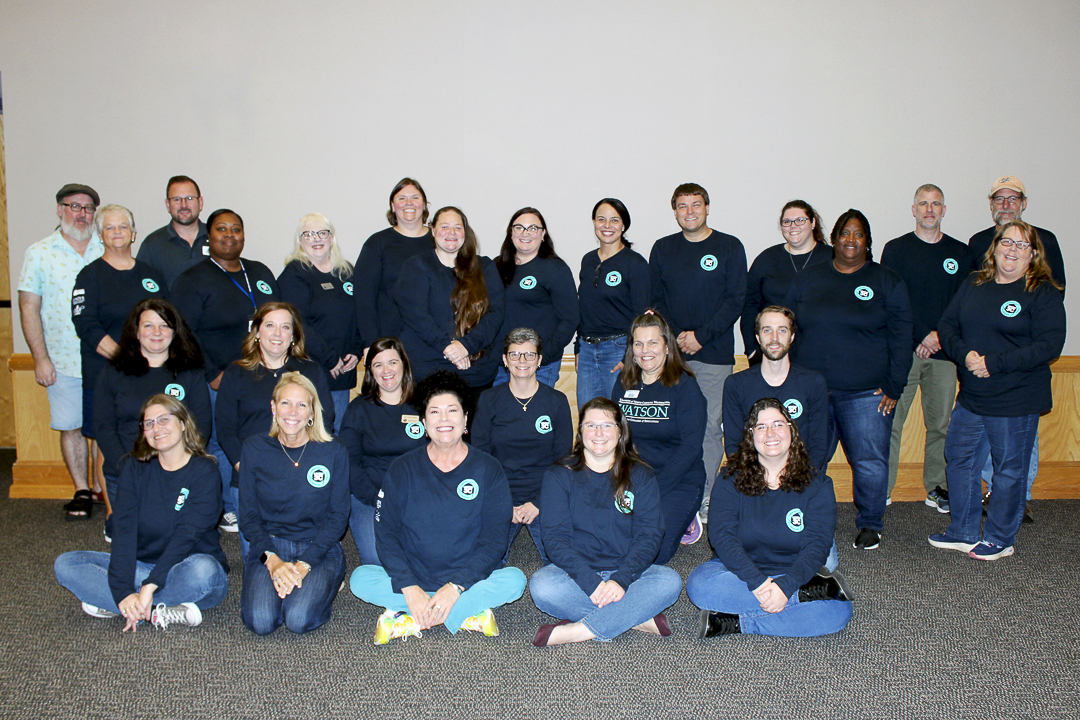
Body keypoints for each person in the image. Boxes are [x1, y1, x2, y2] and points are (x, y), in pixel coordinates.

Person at [350, 371, 526, 644]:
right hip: (415, 574)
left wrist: (456, 587)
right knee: (359, 579)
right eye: (434, 412)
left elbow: (494, 540)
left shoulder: (489, 469)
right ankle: (465, 614)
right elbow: (386, 534)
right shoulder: (402, 469)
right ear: (423, 422)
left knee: (516, 581)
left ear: (465, 419)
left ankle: (411, 617)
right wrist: (409, 587)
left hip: (467, 579)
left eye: (452, 410)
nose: (444, 419)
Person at [929, 221, 1065, 561]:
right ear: (995, 247)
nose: (1012, 249)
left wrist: (994, 363)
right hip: (973, 397)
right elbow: (947, 325)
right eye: (1007, 242)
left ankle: (1001, 539)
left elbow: (1049, 345)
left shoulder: (1043, 292)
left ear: (1033, 253)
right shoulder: (975, 283)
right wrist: (966, 356)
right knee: (959, 461)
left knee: (1008, 471)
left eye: (1022, 245)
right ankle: (962, 530)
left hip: (1016, 399)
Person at [786, 209, 913, 550]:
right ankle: (803, 519)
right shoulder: (808, 279)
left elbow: (902, 338)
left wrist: (894, 385)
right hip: (812, 391)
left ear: (868, 242)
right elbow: (784, 328)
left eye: (859, 234)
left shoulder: (886, 281)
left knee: (870, 463)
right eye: (845, 233)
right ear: (834, 239)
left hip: (868, 393)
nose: (851, 240)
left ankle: (871, 523)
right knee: (808, 460)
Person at [54, 394, 229, 630]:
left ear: (183, 423)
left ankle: (127, 605)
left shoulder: (205, 471)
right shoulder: (133, 467)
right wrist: (123, 590)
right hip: (140, 567)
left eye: (164, 419)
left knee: (206, 572)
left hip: (184, 567)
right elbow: (124, 533)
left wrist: (150, 585)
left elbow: (185, 537)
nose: (157, 428)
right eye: (149, 424)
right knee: (66, 564)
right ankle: (155, 609)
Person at [686, 398, 852, 638]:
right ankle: (802, 598)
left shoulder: (818, 484)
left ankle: (735, 623)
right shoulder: (730, 479)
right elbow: (722, 537)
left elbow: (818, 544)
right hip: (738, 573)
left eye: (778, 424)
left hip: (793, 572)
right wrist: (760, 583)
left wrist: (786, 586)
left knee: (838, 612)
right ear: (751, 436)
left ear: (791, 431)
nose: (770, 433)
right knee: (699, 585)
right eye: (761, 427)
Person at [529, 397, 682, 646]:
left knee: (670, 581)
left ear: (621, 432)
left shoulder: (641, 475)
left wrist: (621, 580)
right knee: (542, 587)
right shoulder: (558, 475)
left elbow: (650, 535)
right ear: (580, 432)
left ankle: (579, 631)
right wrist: (591, 583)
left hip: (628, 573)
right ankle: (633, 617)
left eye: (607, 425)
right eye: (590, 425)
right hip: (576, 575)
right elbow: (555, 539)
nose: (599, 433)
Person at [172, 208, 280, 531]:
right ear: (209, 236)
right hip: (217, 379)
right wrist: (211, 373)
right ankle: (226, 508)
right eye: (222, 229)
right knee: (220, 441)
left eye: (236, 229)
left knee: (258, 437)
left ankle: (259, 500)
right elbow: (183, 332)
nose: (230, 235)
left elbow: (280, 320)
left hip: (261, 375)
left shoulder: (259, 272)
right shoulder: (192, 280)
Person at [649, 183, 747, 524]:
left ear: (707, 207)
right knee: (669, 425)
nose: (689, 211)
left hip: (714, 354)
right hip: (671, 356)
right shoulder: (662, 249)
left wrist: (701, 337)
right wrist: (678, 336)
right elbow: (656, 299)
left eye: (696, 205)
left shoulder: (729, 246)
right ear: (674, 211)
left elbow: (735, 299)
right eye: (682, 206)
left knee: (707, 427)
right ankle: (672, 493)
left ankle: (702, 497)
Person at [968, 176, 1064, 518]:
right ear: (991, 204)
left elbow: (1054, 294)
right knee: (983, 435)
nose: (1006, 204)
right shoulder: (978, 241)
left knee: (1022, 437)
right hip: (983, 364)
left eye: (1013, 198)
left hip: (1023, 361)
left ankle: (1016, 499)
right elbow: (970, 298)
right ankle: (993, 493)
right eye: (999, 198)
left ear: (1023, 203)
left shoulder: (1045, 240)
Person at [216, 302, 335, 552]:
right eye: (269, 325)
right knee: (258, 561)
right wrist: (244, 466)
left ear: (294, 335)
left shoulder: (311, 372)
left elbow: (326, 422)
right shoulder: (236, 373)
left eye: (285, 327)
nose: (277, 333)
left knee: (304, 561)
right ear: (256, 332)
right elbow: (226, 428)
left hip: (300, 477)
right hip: (251, 477)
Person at [239, 373, 349, 635]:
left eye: (301, 405)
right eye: (285, 403)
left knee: (298, 619)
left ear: (312, 412)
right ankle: (287, 584)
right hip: (270, 546)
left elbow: (338, 517)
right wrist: (273, 562)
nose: (293, 412)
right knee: (261, 622)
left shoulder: (333, 451)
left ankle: (327, 581)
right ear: (273, 408)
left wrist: (303, 565)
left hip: (318, 548)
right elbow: (248, 518)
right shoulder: (254, 448)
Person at [18, 183, 104, 520]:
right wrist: (40, 358)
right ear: (59, 209)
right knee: (71, 427)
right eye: (74, 206)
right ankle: (82, 490)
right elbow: (28, 308)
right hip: (62, 359)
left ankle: (101, 487)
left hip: (102, 359)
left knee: (101, 427)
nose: (81, 214)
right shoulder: (39, 253)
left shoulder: (106, 248)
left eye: (87, 208)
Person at [880, 184, 968, 511]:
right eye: (923, 204)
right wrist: (919, 337)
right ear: (913, 209)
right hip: (903, 353)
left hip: (945, 354)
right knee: (889, 424)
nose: (929, 210)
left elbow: (964, 305)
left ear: (944, 210)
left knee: (941, 425)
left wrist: (938, 336)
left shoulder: (961, 253)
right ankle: (882, 490)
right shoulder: (896, 250)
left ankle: (937, 488)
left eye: (936, 204)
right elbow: (892, 303)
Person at [94, 299, 212, 540]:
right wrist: (127, 467)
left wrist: (171, 468)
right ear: (136, 332)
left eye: (165, 326)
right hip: (126, 470)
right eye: (148, 326)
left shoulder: (190, 372)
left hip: (177, 473)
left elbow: (200, 427)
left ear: (175, 331)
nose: (157, 333)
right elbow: (104, 426)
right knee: (133, 543)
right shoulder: (114, 371)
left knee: (175, 538)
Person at [73, 205, 168, 462]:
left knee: (156, 437)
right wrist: (123, 357)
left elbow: (168, 321)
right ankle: (114, 504)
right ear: (100, 235)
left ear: (134, 233)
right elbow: (86, 325)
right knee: (110, 443)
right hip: (107, 373)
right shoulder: (89, 276)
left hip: (152, 374)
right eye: (110, 227)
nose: (117, 232)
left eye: (123, 226)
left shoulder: (152, 275)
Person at [610, 312, 707, 560]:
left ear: (667, 346)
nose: (645, 350)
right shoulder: (623, 383)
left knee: (654, 552)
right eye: (638, 343)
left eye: (653, 342)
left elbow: (690, 449)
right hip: (634, 477)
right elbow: (613, 436)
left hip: (677, 480)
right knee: (609, 541)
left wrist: (652, 491)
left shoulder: (685, 387)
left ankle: (686, 515)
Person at [472, 328, 573, 562]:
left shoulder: (557, 401)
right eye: (515, 355)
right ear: (505, 360)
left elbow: (564, 459)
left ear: (539, 360)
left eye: (529, 355)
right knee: (484, 562)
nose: (522, 361)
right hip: (499, 493)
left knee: (563, 561)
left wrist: (538, 503)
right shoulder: (488, 400)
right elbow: (480, 457)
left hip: (545, 495)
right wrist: (504, 503)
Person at [394, 206, 505, 394]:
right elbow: (417, 316)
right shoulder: (415, 266)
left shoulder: (485, 266)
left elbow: (496, 313)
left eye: (458, 227)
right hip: (428, 372)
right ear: (433, 230)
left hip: (476, 373)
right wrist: (450, 349)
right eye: (445, 227)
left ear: (465, 232)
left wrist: (466, 346)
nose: (451, 233)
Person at [338, 337, 427, 566]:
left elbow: (439, 454)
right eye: (378, 365)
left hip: (417, 495)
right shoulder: (358, 409)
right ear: (370, 371)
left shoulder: (425, 405)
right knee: (379, 559)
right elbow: (350, 462)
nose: (386, 370)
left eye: (392, 362)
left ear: (404, 365)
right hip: (370, 495)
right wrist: (377, 497)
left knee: (430, 552)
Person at [278, 212, 360, 429]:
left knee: (338, 434)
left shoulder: (347, 272)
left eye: (322, 233)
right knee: (314, 435)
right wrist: (330, 358)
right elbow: (298, 323)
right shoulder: (294, 274)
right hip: (311, 370)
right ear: (300, 242)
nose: (316, 239)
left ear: (332, 238)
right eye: (308, 234)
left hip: (342, 371)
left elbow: (360, 315)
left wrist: (357, 350)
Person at [723, 306, 829, 472]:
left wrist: (796, 479)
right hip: (753, 477)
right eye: (767, 331)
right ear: (758, 337)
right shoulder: (736, 384)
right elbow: (734, 446)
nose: (774, 338)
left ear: (792, 336)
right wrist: (759, 479)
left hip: (799, 476)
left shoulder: (813, 383)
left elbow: (818, 445)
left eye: (782, 330)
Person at [575, 198, 650, 410]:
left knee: (619, 419)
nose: (607, 226)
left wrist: (630, 356)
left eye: (614, 220)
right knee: (588, 417)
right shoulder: (588, 261)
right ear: (594, 222)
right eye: (601, 219)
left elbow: (642, 316)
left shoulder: (635, 264)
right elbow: (584, 306)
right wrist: (578, 347)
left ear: (624, 225)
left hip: (619, 350)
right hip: (587, 351)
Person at [493, 208, 578, 388]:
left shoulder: (555, 269)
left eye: (533, 228)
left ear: (543, 234)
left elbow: (570, 319)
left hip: (539, 367)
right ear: (511, 233)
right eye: (519, 228)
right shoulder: (496, 267)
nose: (526, 233)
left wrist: (543, 356)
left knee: (533, 415)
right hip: (500, 367)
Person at [741, 200, 832, 366]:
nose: (793, 226)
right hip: (772, 353)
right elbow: (749, 304)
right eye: (787, 222)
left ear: (812, 223)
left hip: (820, 353)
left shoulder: (831, 259)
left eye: (800, 220)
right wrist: (751, 349)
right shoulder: (766, 259)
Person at [354, 178, 433, 356]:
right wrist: (370, 342)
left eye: (415, 197)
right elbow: (364, 298)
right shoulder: (377, 244)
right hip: (391, 343)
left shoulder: (440, 241)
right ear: (392, 205)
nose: (409, 203)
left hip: (434, 342)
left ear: (424, 205)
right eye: (402, 198)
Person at [136, 176, 209, 289]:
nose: (184, 205)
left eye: (189, 198)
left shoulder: (217, 239)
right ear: (168, 204)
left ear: (200, 202)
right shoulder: (152, 245)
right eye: (177, 199)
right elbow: (142, 288)